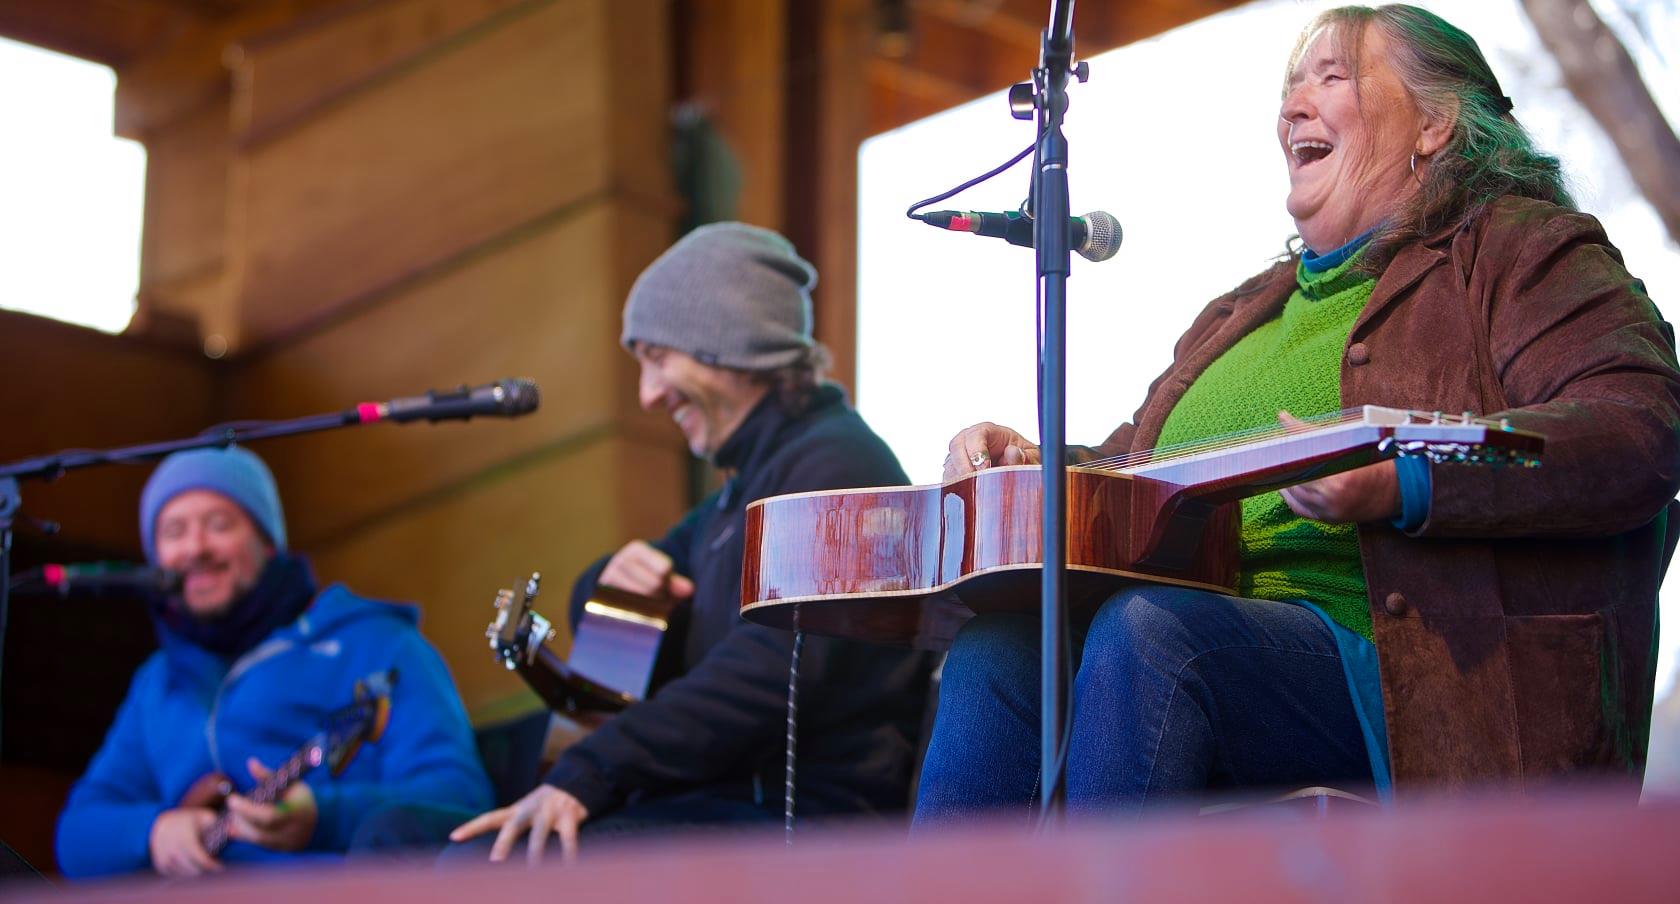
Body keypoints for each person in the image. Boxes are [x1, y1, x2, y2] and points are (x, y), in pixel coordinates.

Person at [914, 3, 1680, 824]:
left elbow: (1640, 432)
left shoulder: (1522, 250)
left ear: (1434, 123)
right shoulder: (1237, 314)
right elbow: (1135, 472)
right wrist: (1040, 465)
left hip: (1419, 678)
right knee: (999, 650)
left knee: (1153, 635)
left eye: (1333, 75)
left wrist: (1406, 477)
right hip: (1190, 643)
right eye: (1289, 87)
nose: (1292, 107)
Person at [444, 223, 935, 862]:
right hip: (720, 801)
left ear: (729, 344)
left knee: (487, 869)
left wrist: (592, 771)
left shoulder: (839, 468)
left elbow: (769, 673)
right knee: (404, 839)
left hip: (805, 821)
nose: (647, 395)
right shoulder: (734, 499)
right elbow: (626, 607)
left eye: (656, 357)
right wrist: (607, 581)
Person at [55, 447, 492, 878]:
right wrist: (153, 831)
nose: (195, 547)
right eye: (173, 531)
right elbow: (75, 837)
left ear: (267, 543)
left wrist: (324, 816)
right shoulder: (157, 682)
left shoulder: (374, 643)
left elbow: (462, 798)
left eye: (219, 524)